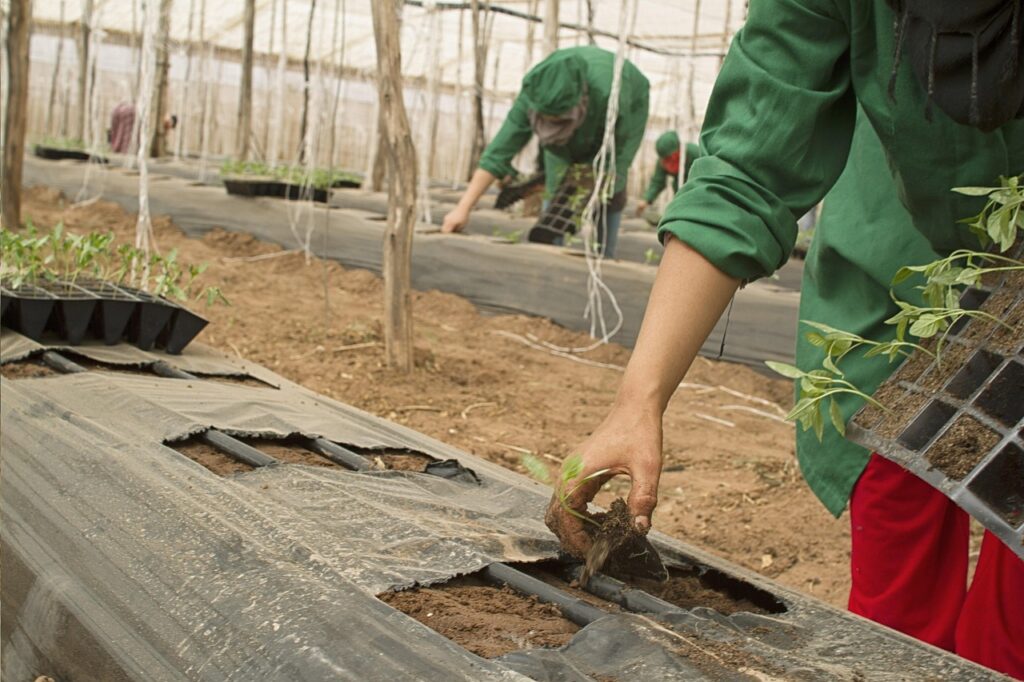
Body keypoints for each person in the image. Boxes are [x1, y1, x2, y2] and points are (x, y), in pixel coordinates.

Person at [544, 0, 1023, 678]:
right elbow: (748, 166)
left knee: (1012, 623)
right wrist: (638, 399)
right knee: (897, 596)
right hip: (900, 281)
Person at [442, 46, 649, 259]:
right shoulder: (534, 92)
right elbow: (498, 152)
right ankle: (552, 246)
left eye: (559, 122)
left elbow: (615, 153)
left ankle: (604, 256)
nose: (553, 127)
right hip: (569, 135)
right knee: (557, 177)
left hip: (627, 105)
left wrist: (594, 177)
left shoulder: (611, 94)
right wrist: (463, 208)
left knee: (609, 184)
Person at [634, 131, 699, 225]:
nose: (669, 162)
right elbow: (658, 182)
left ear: (679, 149)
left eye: (671, 157)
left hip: (698, 189)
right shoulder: (663, 161)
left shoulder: (695, 153)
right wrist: (646, 199)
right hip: (680, 192)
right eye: (665, 159)